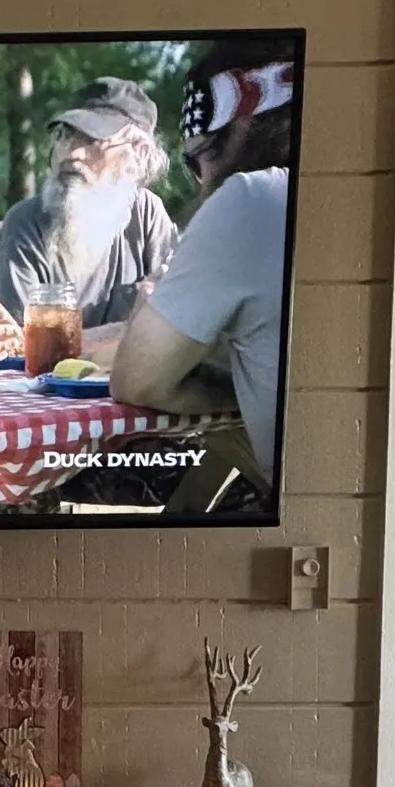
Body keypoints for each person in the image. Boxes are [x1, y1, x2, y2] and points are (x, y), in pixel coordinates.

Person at [112, 41, 296, 491]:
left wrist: (234, 395)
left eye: (199, 158)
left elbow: (137, 380)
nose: (201, 183)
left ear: (245, 122)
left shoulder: (251, 200)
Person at [0, 77, 180, 333]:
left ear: (139, 153)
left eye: (93, 140)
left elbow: (180, 322)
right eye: (65, 136)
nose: (72, 153)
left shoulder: (147, 215)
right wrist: (128, 331)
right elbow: (16, 345)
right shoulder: (26, 224)